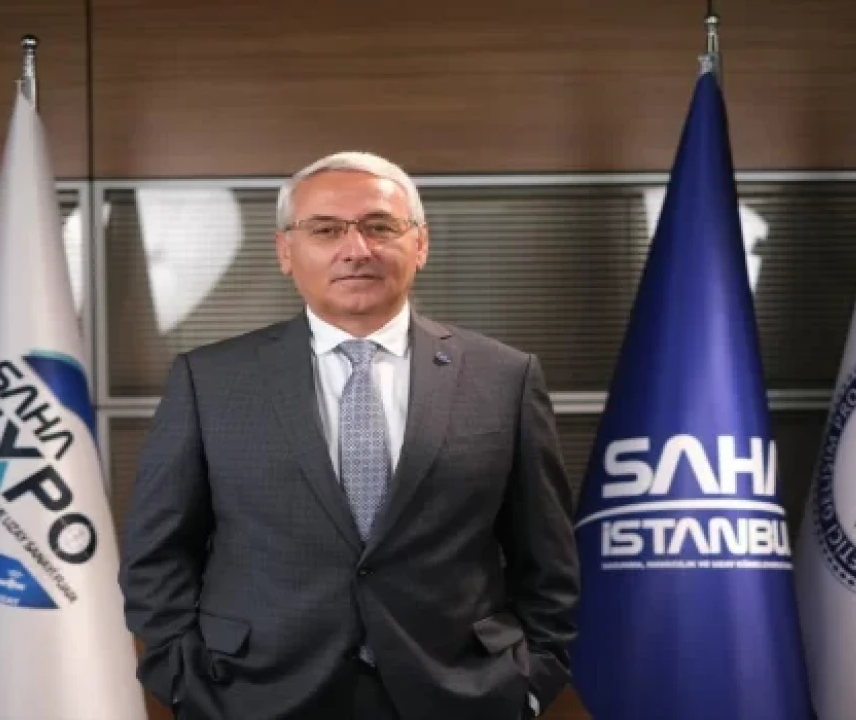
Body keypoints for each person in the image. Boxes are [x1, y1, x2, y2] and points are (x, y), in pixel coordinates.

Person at [119, 151, 579, 720]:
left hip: (461, 695)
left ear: (421, 244)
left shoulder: (505, 377)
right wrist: (185, 684)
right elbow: (157, 555)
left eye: (380, 226)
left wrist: (528, 684)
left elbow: (548, 560)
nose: (356, 249)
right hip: (254, 695)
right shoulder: (209, 380)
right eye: (325, 230)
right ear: (285, 251)